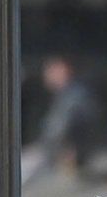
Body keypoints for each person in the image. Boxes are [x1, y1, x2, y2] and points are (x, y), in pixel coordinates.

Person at [25, 55, 100, 183]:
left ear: (63, 71)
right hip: (58, 155)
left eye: (50, 71)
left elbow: (58, 132)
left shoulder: (74, 98)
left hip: (62, 158)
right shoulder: (68, 96)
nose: (46, 75)